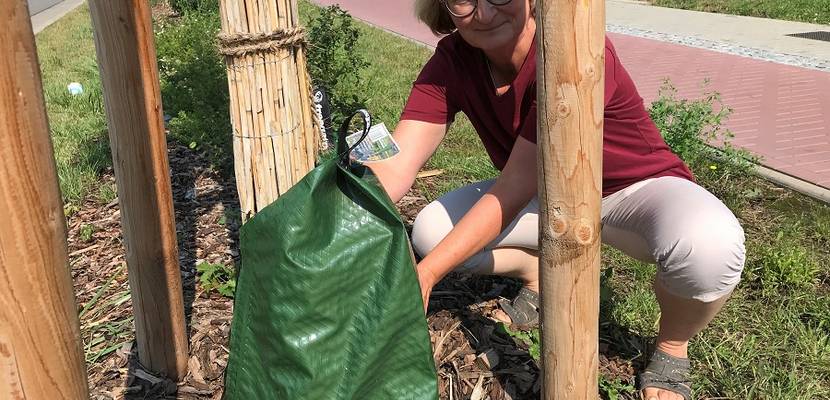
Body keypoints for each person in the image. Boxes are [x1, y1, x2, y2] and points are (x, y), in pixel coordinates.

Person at [367, 0, 746, 399]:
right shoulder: (454, 61)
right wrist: (340, 199)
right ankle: (538, 274)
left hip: (632, 192)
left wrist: (425, 275)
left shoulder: (572, 49)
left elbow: (512, 187)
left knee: (709, 246)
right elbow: (397, 161)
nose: (485, 11)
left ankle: (672, 347)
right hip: (546, 196)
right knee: (431, 232)